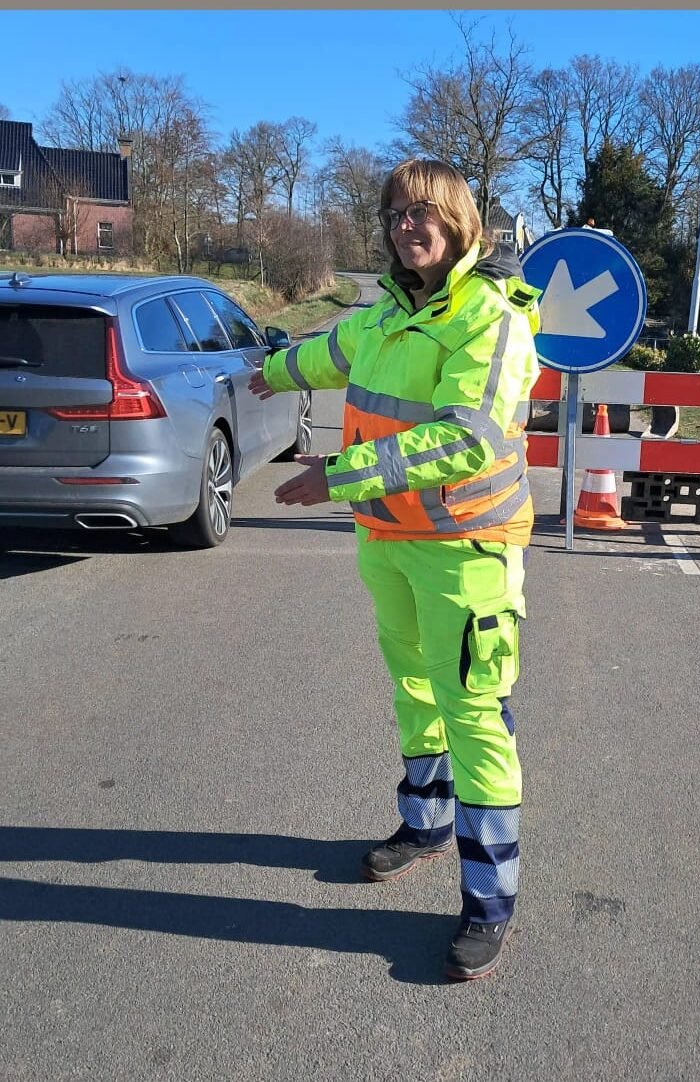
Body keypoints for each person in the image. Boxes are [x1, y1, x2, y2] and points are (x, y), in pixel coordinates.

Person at [250, 159, 541, 980]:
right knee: (412, 688)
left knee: (475, 714)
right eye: (395, 213)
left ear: (461, 223)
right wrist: (261, 368)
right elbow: (326, 355)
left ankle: (490, 900)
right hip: (388, 541)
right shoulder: (384, 315)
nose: (407, 226)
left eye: (425, 213)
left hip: (468, 550)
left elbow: (463, 438)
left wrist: (335, 478)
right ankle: (425, 823)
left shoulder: (490, 319)